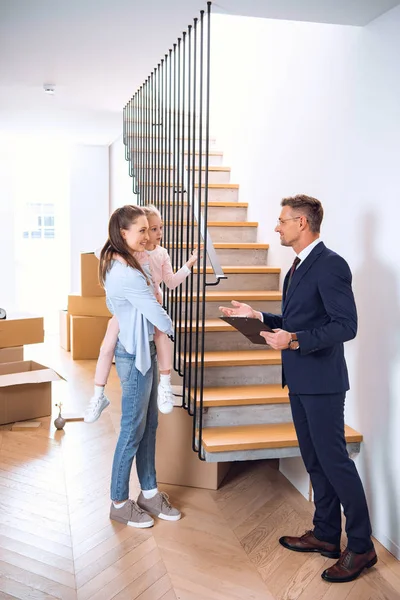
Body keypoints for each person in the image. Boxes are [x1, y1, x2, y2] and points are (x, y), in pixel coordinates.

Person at [219, 194, 376, 583]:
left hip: (323, 382)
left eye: (282, 220)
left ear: (302, 223)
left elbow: (346, 326)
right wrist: (258, 316)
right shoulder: (297, 268)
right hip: (299, 380)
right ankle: (325, 534)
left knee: (335, 462)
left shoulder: (331, 265)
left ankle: (361, 546)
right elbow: (294, 320)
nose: (277, 226)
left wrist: (293, 340)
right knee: (315, 461)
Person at [99, 204, 181, 527]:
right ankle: (119, 501)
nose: (149, 236)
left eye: (151, 229)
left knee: (149, 427)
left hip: (144, 350)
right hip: (134, 357)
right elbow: (156, 311)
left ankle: (148, 492)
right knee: (133, 429)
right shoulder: (126, 273)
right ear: (123, 234)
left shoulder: (131, 261)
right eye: (142, 230)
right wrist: (172, 329)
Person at [84, 204, 198, 423]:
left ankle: (165, 384)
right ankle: (98, 395)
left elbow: (170, 282)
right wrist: (118, 256)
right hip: (127, 308)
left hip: (149, 303)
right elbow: (102, 251)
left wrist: (189, 265)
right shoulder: (132, 253)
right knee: (106, 347)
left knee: (161, 336)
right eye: (148, 229)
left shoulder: (159, 254)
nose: (155, 234)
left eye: (156, 229)